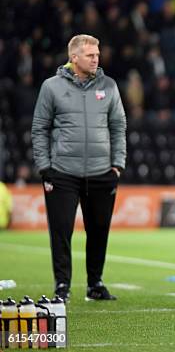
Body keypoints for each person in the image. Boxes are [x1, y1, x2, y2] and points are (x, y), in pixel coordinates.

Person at [31, 34, 127, 301]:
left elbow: (119, 126)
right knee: (61, 231)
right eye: (90, 55)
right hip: (62, 173)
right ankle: (62, 286)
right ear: (74, 58)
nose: (96, 58)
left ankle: (95, 284)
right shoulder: (51, 87)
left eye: (97, 54)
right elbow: (39, 129)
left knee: (99, 231)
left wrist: (117, 165)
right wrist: (45, 167)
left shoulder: (109, 86)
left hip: (101, 173)